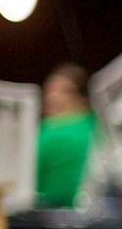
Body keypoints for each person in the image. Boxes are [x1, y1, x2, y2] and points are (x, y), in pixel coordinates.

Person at [36, 62, 96, 208]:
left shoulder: (50, 130)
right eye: (48, 92)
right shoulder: (101, 128)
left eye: (65, 91)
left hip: (45, 217)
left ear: (84, 99)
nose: (53, 98)